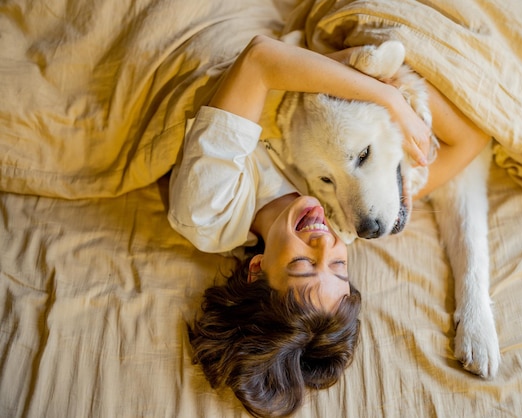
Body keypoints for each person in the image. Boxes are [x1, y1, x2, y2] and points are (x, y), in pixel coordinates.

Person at [168, 35, 490, 417]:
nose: (324, 244)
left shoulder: (209, 211)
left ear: (256, 271)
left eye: (303, 265)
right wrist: (393, 89)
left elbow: (259, 60)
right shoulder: (347, 223)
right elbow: (469, 140)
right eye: (338, 267)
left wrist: (387, 100)